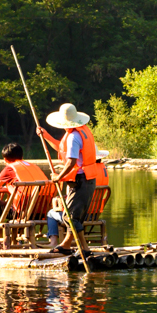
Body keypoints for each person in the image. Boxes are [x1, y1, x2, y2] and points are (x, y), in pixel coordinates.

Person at [36, 102, 103, 249]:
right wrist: (45, 136)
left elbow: (71, 162)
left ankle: (84, 249)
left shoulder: (73, 137)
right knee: (72, 217)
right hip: (84, 179)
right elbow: (62, 150)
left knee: (71, 217)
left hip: (81, 180)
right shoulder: (81, 131)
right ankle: (67, 245)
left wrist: (58, 177)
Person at [0, 141, 49, 222]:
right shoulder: (33, 166)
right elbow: (27, 189)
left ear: (5, 159)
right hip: (41, 212)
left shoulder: (10, 168)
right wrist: (5, 188)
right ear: (21, 156)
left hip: (21, 213)